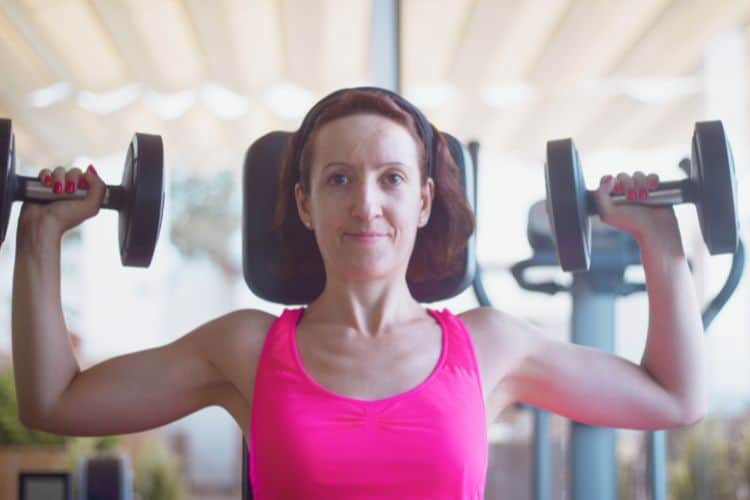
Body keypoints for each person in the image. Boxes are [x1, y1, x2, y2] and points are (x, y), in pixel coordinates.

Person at [11, 87, 706, 499]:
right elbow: (56, 401)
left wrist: (659, 239)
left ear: (426, 200)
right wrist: (39, 235)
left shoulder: (489, 346)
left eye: (392, 179)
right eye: (338, 179)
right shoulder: (246, 348)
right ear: (306, 204)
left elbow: (675, 398)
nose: (365, 205)